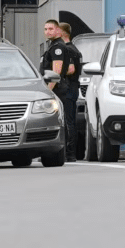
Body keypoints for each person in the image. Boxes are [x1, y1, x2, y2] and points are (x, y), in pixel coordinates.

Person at [39, 19, 81, 161]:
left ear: (59, 31)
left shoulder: (59, 48)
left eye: (51, 29)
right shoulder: (56, 46)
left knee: (65, 121)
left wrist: (47, 92)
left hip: (61, 89)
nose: (47, 32)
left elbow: (56, 73)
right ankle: (65, 153)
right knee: (63, 121)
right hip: (64, 88)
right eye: (45, 29)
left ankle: (68, 153)